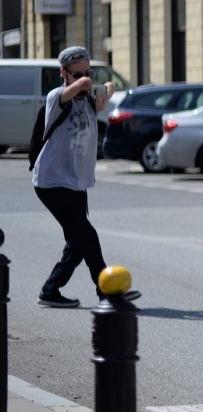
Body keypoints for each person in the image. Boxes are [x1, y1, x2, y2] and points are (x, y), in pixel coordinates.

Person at [31, 46, 141, 308]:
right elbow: (82, 86)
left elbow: (112, 84)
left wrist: (102, 95)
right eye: (77, 74)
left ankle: (50, 290)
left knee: (77, 243)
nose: (83, 79)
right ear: (63, 73)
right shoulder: (57, 97)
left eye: (87, 72)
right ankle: (108, 292)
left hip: (75, 183)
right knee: (87, 236)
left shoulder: (89, 100)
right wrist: (88, 83)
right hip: (52, 181)